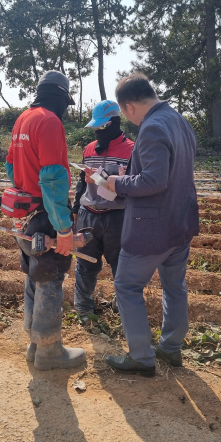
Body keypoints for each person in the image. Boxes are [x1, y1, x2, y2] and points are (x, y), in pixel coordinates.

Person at [102, 73, 200, 377]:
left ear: (129, 106)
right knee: (174, 286)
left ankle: (141, 356)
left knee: (126, 285)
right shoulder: (179, 121)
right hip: (180, 222)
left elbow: (153, 180)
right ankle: (170, 348)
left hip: (152, 227)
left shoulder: (152, 127)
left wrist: (117, 182)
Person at [5, 70, 86, 371]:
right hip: (46, 215)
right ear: (62, 97)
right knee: (51, 277)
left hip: (24, 214)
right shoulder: (50, 122)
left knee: (32, 274)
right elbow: (52, 179)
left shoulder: (22, 119)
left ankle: (34, 345)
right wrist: (64, 228)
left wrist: (27, 188)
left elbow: (11, 167)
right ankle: (50, 350)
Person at [71, 100, 135, 318]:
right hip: (89, 216)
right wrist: (76, 208)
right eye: (95, 128)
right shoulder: (90, 148)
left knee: (121, 267)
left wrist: (102, 179)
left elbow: (134, 186)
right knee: (85, 263)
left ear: (113, 123)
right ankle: (83, 309)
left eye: (102, 127)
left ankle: (124, 311)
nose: (98, 132)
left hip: (117, 217)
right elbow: (82, 182)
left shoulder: (131, 150)